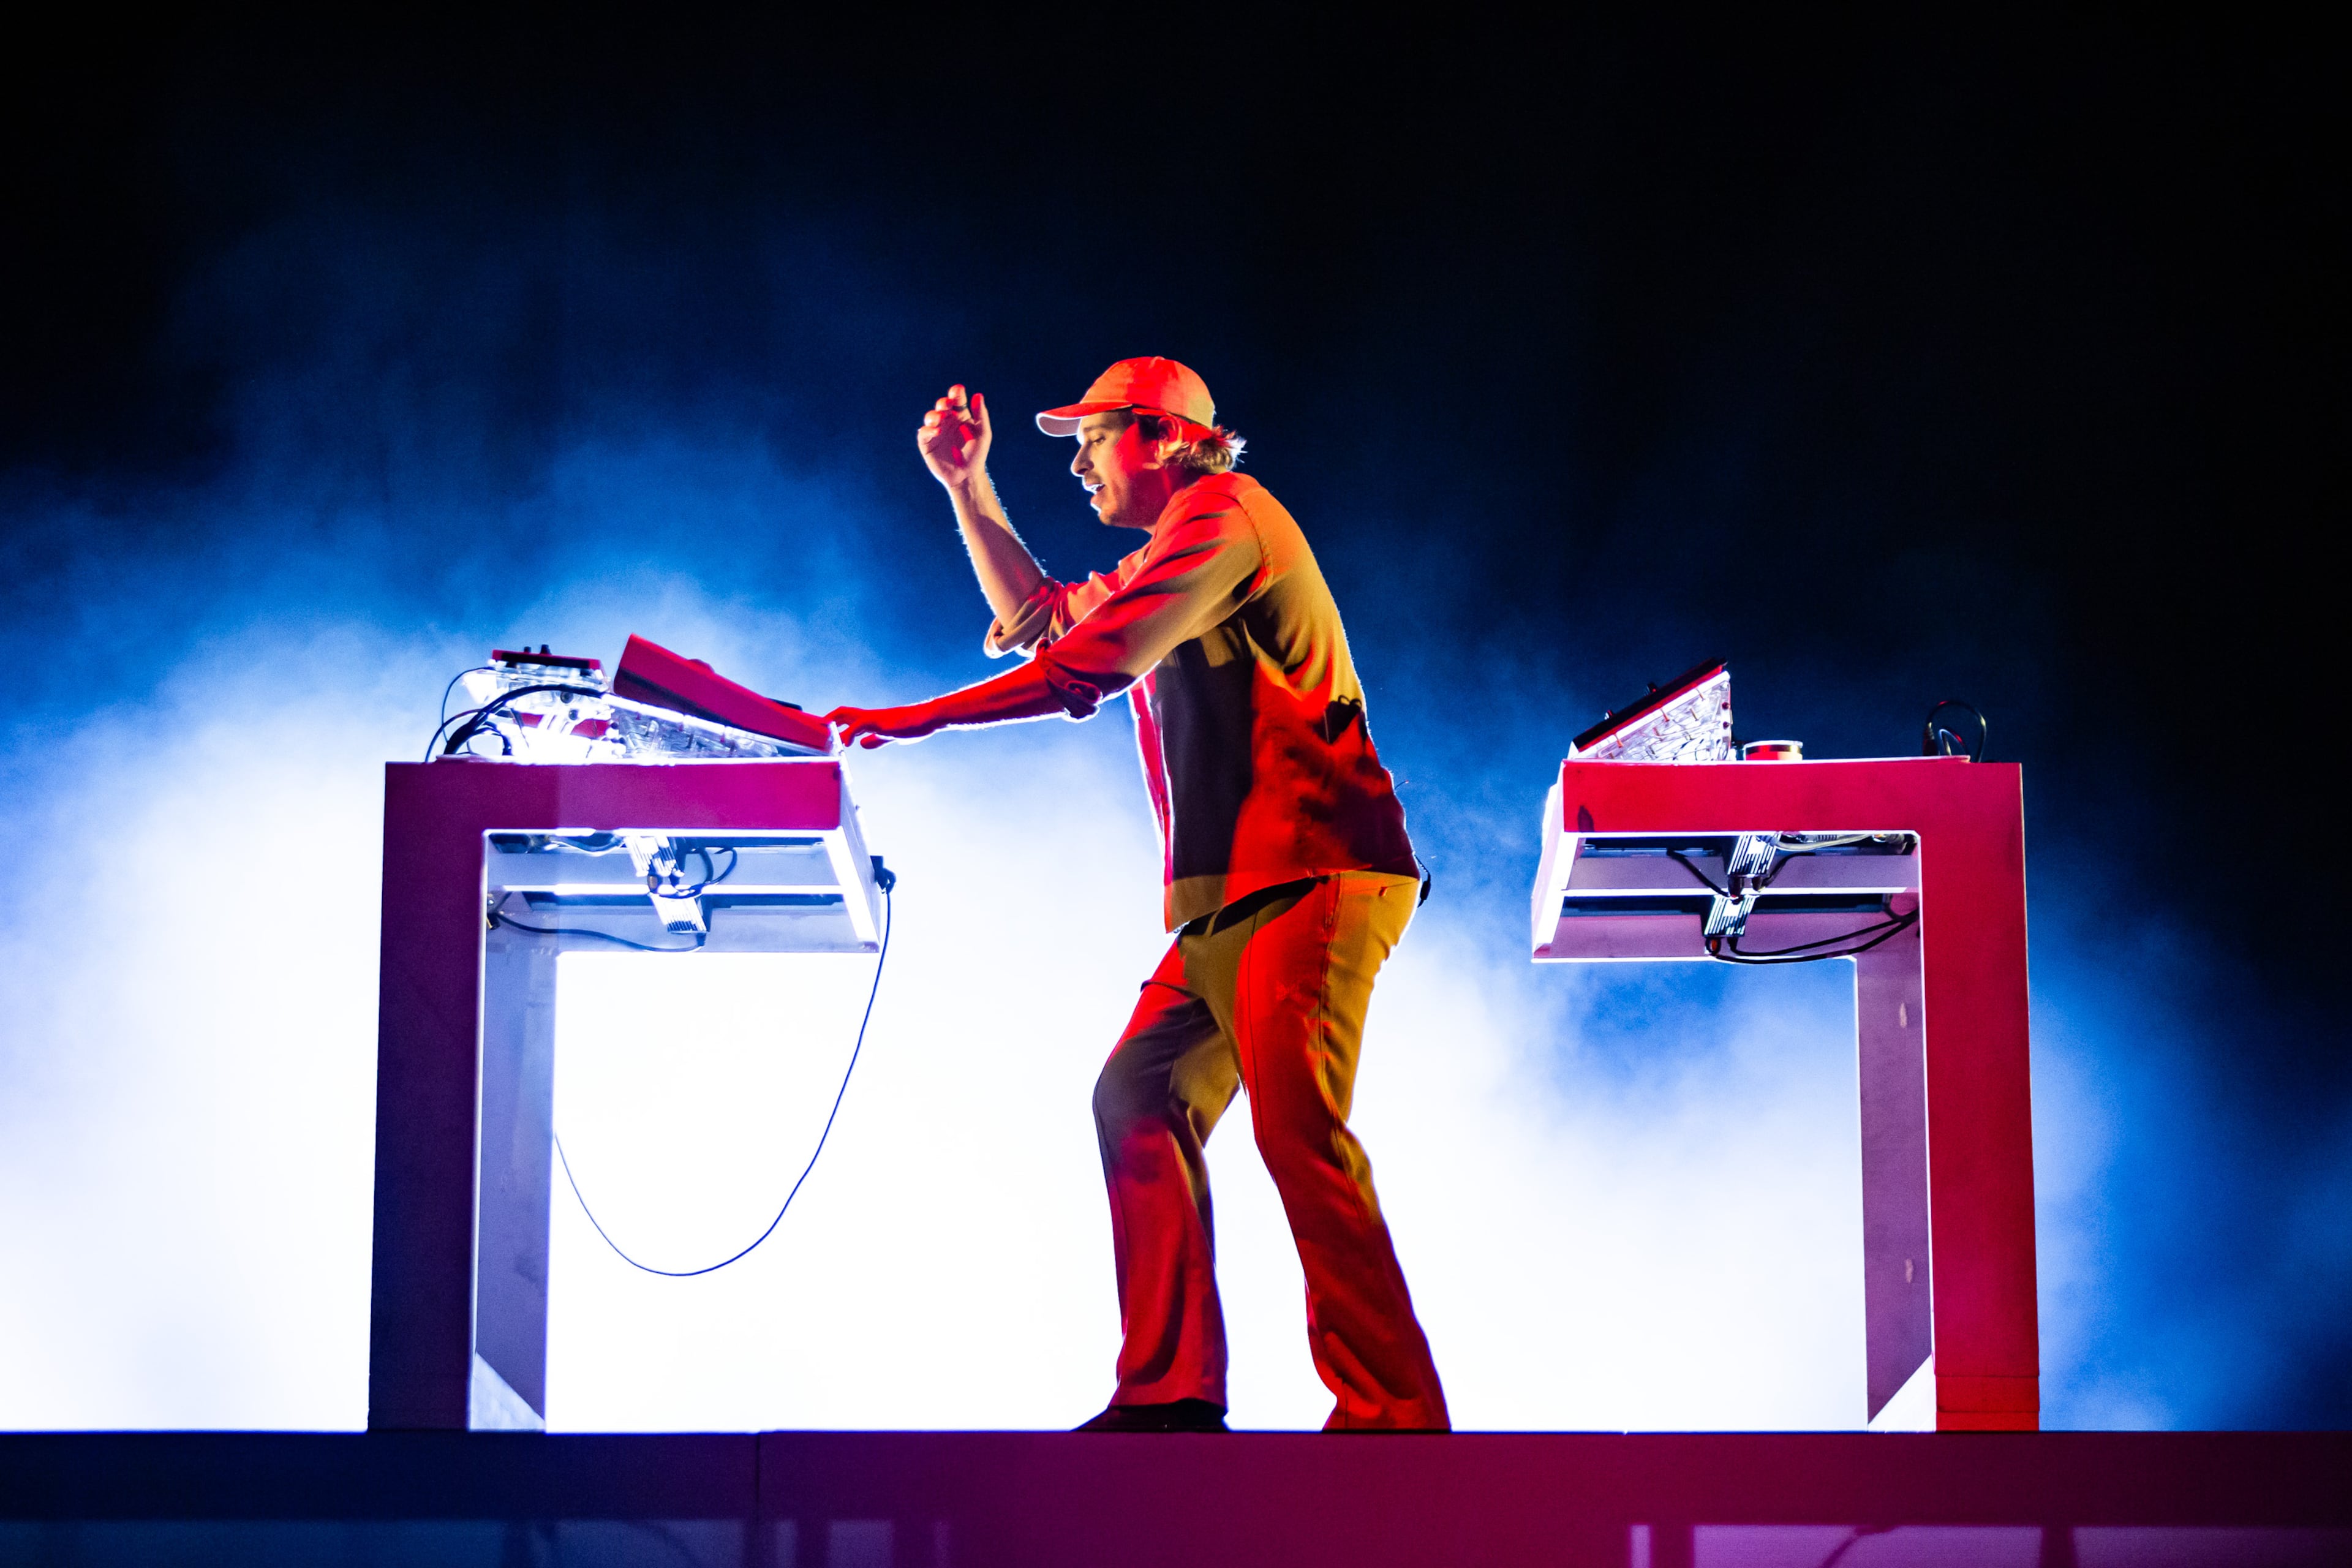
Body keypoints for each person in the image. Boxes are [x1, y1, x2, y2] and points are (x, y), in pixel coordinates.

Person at [826, 358, 1448, 1433]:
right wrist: (968, 489)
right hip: (1232, 897)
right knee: (1139, 1097)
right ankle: (1169, 1394)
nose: (1077, 464)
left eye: (1094, 440)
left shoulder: (1226, 519)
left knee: (1298, 1130)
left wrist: (914, 718)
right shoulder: (1169, 549)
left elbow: (1086, 668)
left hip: (1314, 873)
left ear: (1161, 438)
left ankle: (1397, 1415)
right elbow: (1047, 622)